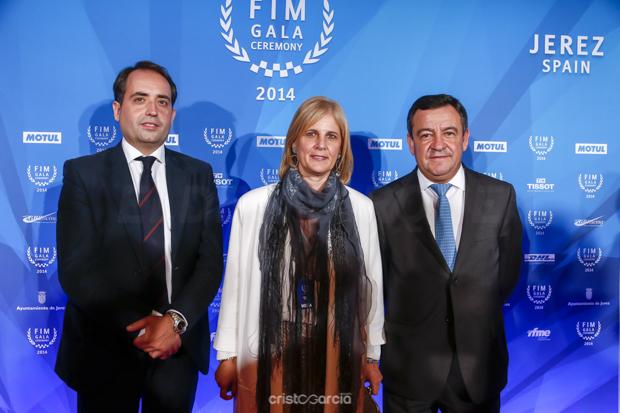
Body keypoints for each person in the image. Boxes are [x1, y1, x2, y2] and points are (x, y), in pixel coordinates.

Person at [55, 61, 223, 413]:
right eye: (140, 99)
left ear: (172, 115)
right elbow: (77, 268)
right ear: (118, 110)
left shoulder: (198, 175)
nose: (152, 110)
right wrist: (146, 327)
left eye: (162, 102)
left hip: (176, 349)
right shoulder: (83, 174)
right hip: (106, 346)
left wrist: (174, 323)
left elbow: (209, 263)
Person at [214, 96, 385, 412]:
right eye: (311, 134)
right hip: (270, 348)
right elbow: (235, 285)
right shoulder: (254, 206)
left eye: (331, 136)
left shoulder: (362, 209)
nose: (321, 145)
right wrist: (227, 355)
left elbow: (370, 288)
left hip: (338, 350)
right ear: (294, 143)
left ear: (340, 150)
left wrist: (372, 355)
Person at [371, 94, 522, 413]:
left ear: (465, 138)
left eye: (449, 132)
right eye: (426, 134)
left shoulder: (500, 196)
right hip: (408, 370)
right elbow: (374, 285)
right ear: (410, 143)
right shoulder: (382, 204)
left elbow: (507, 275)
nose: (438, 144)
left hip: (477, 368)